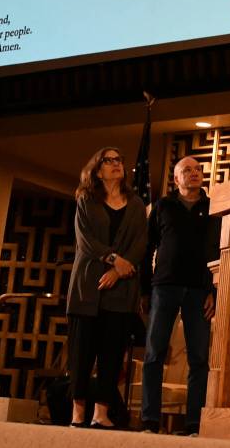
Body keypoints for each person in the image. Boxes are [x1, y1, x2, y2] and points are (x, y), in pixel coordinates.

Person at [65, 146, 147, 429]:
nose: (116, 164)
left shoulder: (136, 204)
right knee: (81, 354)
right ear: (97, 170)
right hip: (87, 287)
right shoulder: (86, 199)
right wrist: (113, 259)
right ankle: (78, 413)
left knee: (111, 354)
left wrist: (117, 271)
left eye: (118, 160)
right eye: (108, 160)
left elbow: (140, 243)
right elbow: (85, 240)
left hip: (121, 289)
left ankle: (101, 414)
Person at [140, 156, 220, 436]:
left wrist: (214, 291)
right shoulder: (163, 206)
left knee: (198, 358)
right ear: (176, 179)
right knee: (154, 354)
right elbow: (147, 248)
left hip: (199, 291)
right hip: (164, 287)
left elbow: (220, 251)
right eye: (187, 170)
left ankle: (194, 424)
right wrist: (144, 289)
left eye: (198, 169)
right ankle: (150, 421)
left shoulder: (214, 208)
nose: (195, 173)